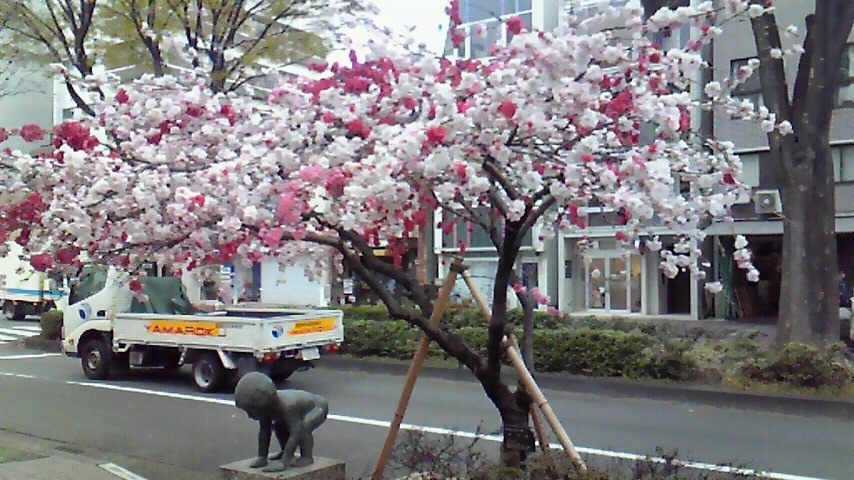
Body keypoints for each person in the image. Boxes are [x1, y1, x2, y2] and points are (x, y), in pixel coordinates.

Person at [234, 372, 329, 472]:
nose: (249, 416)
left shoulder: (287, 406)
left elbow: (295, 433)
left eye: (251, 411)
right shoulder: (268, 408)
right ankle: (284, 451)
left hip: (317, 407)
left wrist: (284, 462)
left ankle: (307, 457)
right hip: (302, 407)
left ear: (263, 405)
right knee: (279, 426)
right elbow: (264, 432)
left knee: (303, 428)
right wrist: (262, 457)